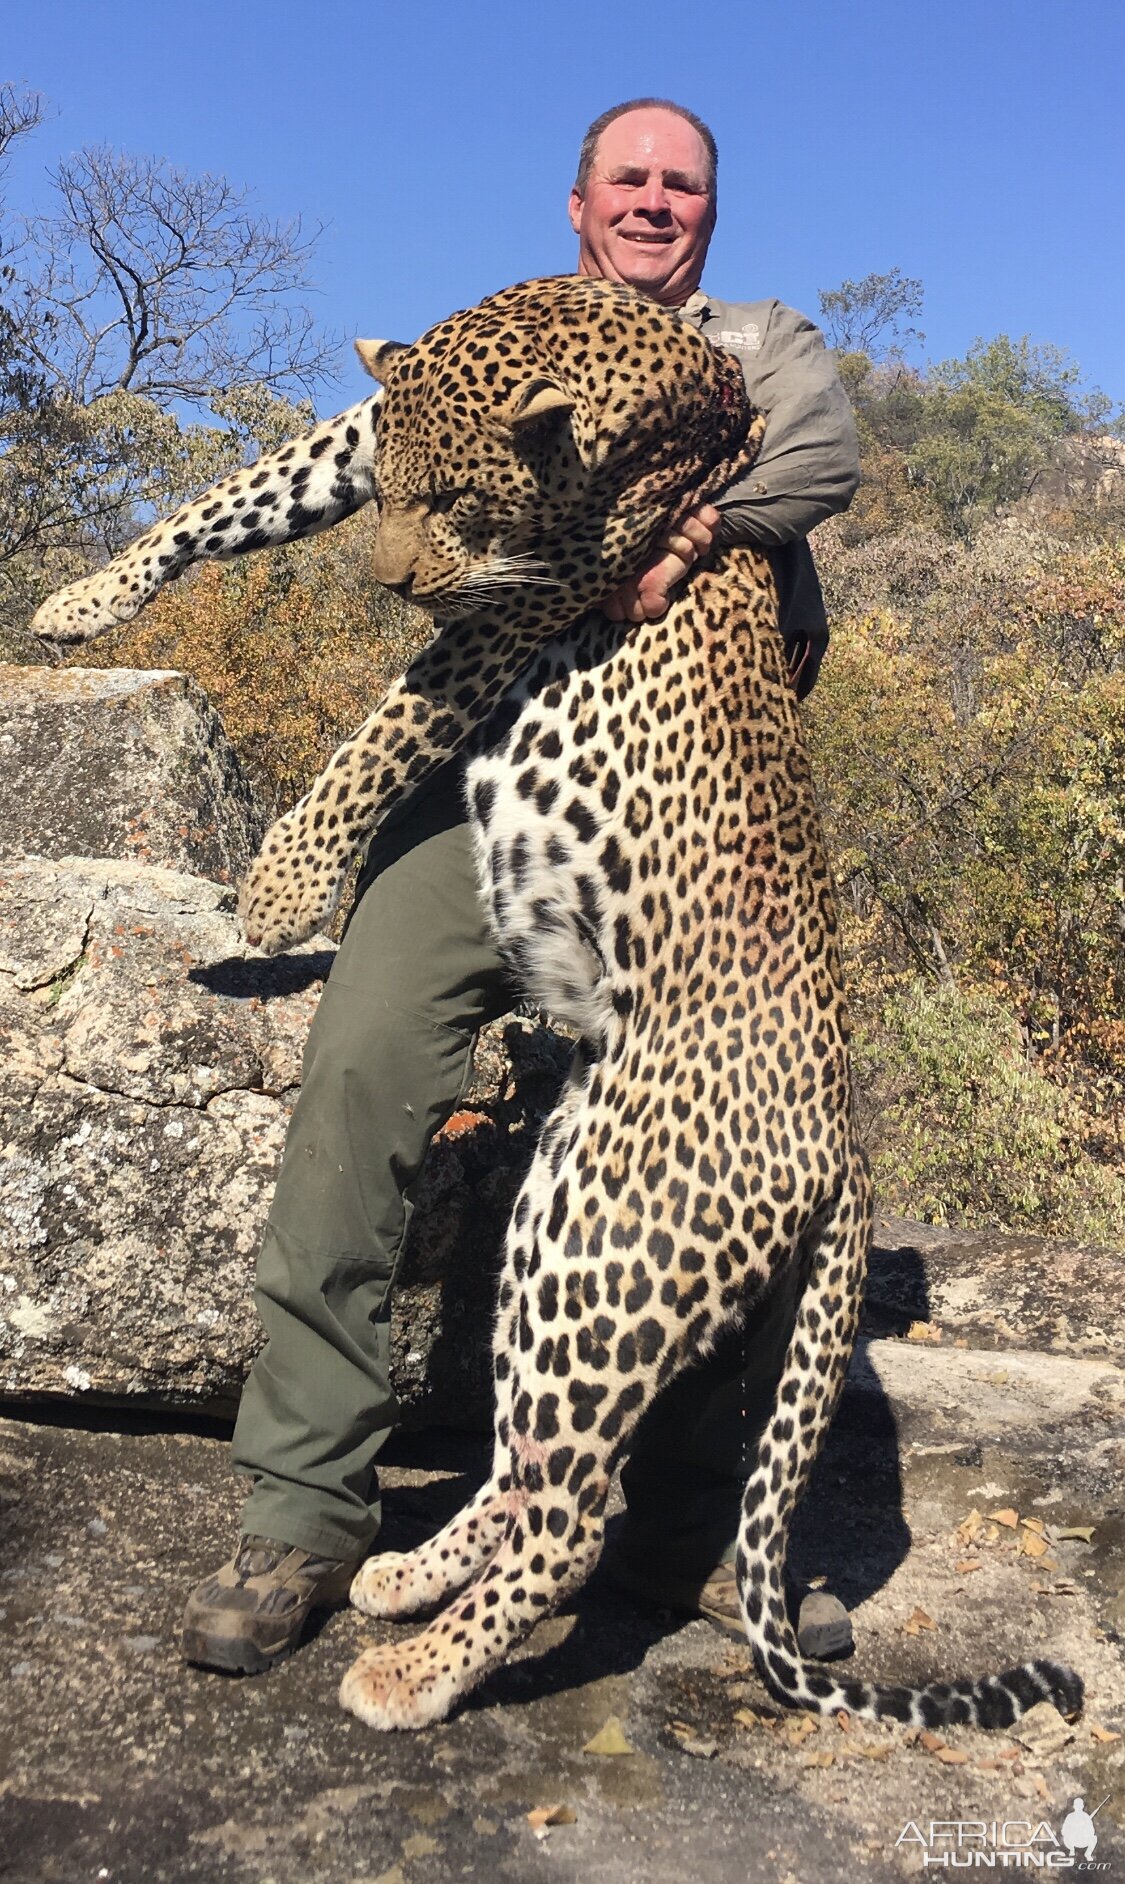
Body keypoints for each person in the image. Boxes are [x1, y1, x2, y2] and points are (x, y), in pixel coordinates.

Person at [181, 98, 861, 1675]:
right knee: (359, 1072)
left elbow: (818, 450)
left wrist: (678, 536)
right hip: (489, 774)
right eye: (625, 180)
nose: (652, 204)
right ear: (574, 206)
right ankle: (300, 1511)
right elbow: (361, 486)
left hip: (674, 811)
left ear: (708, 213)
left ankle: (677, 1535)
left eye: (680, 185)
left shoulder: (760, 344)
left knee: (686, 1140)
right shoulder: (485, 351)